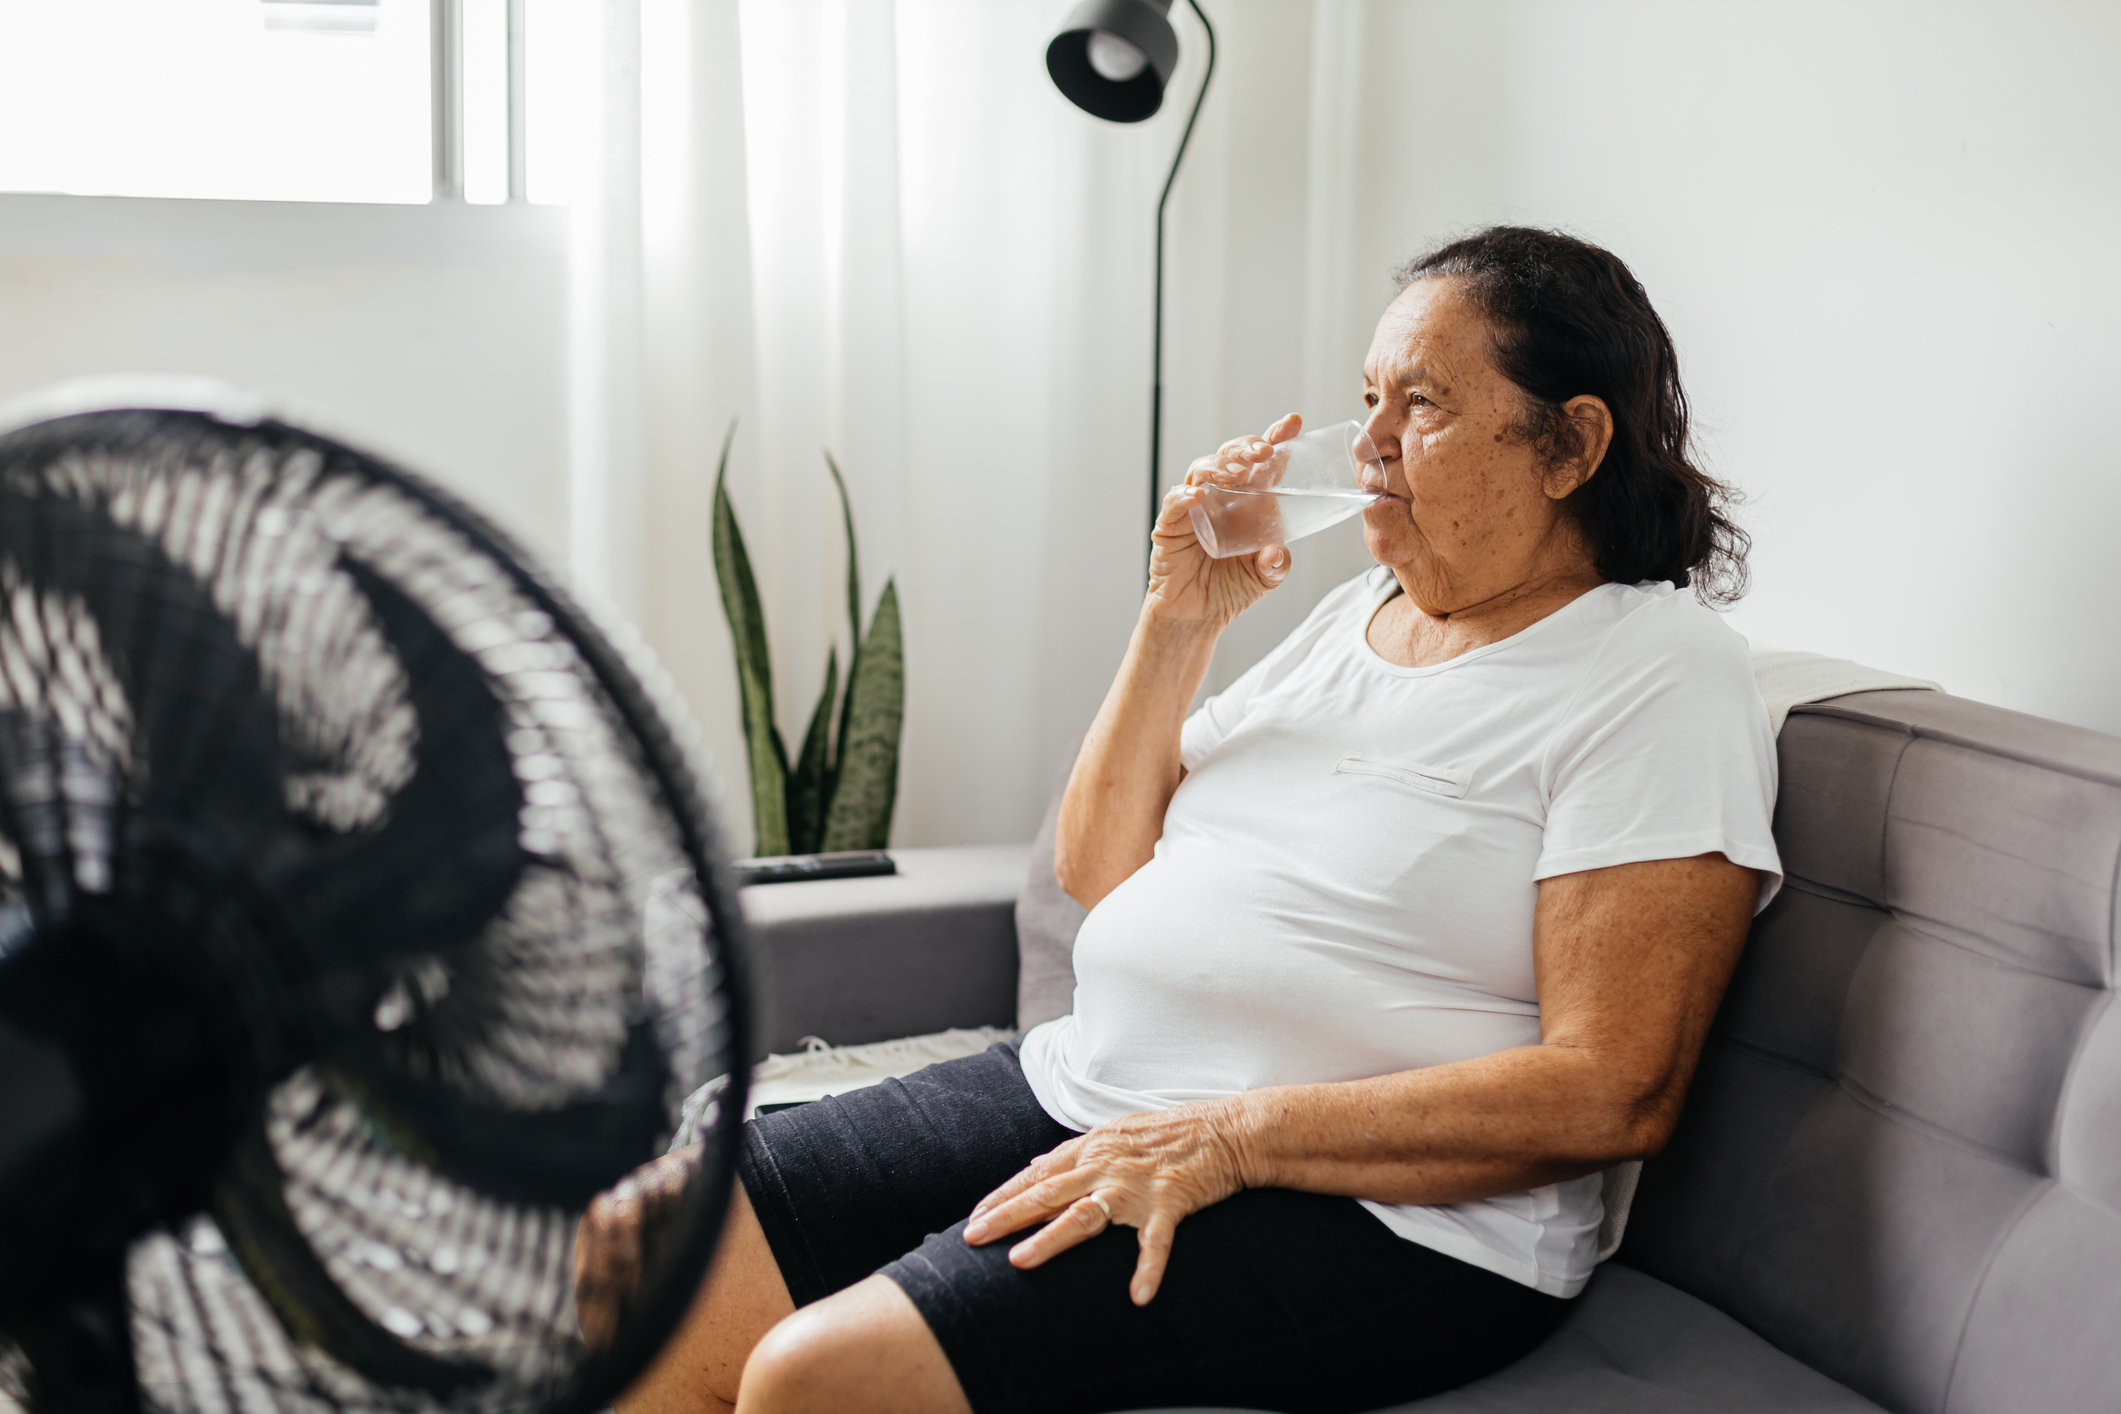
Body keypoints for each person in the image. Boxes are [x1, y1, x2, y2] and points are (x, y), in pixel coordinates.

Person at [575, 226, 1782, 1414]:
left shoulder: (1657, 672)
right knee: (641, 1244)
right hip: (1093, 1085)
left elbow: (1610, 1087)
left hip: (1395, 1219)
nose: (1366, 446)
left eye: (1422, 405)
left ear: (1571, 445)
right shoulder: (1351, 621)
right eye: (1366, 397)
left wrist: (1232, 1139)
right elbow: (1100, 867)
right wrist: (1179, 618)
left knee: (815, 1376)